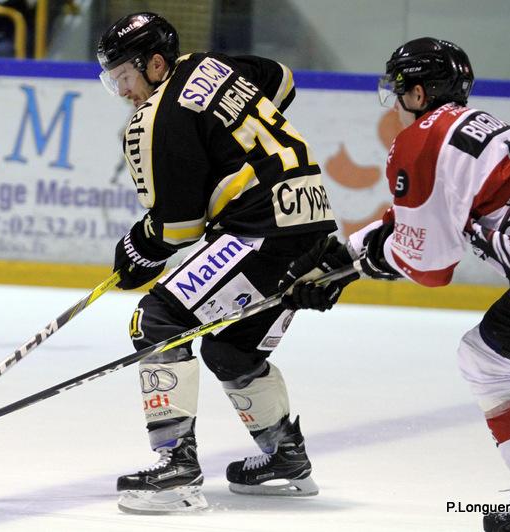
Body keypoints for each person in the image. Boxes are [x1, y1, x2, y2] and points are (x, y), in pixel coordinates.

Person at [279, 37, 510, 532]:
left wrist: (363, 268)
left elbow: (431, 265)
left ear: (418, 93)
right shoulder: (470, 125)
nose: (394, 103)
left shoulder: (419, 140)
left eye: (398, 90)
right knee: (486, 358)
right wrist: (343, 255)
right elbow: (419, 219)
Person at [96, 12, 336, 514]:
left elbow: (179, 229)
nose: (123, 92)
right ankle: (285, 456)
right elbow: (282, 80)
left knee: (157, 320)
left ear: (155, 64)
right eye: (113, 80)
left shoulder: (157, 118)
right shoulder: (211, 65)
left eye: (125, 77)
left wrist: (139, 248)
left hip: (261, 230)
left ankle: (176, 469)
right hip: (312, 225)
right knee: (230, 347)